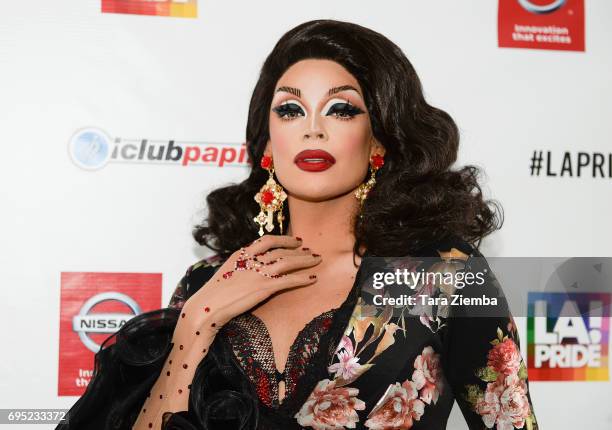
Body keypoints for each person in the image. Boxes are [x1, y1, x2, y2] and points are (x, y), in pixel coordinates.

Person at [58, 19, 538, 430]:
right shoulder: (207, 281)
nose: (313, 128)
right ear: (267, 142)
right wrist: (195, 326)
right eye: (290, 109)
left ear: (379, 139)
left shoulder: (445, 278)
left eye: (342, 108)